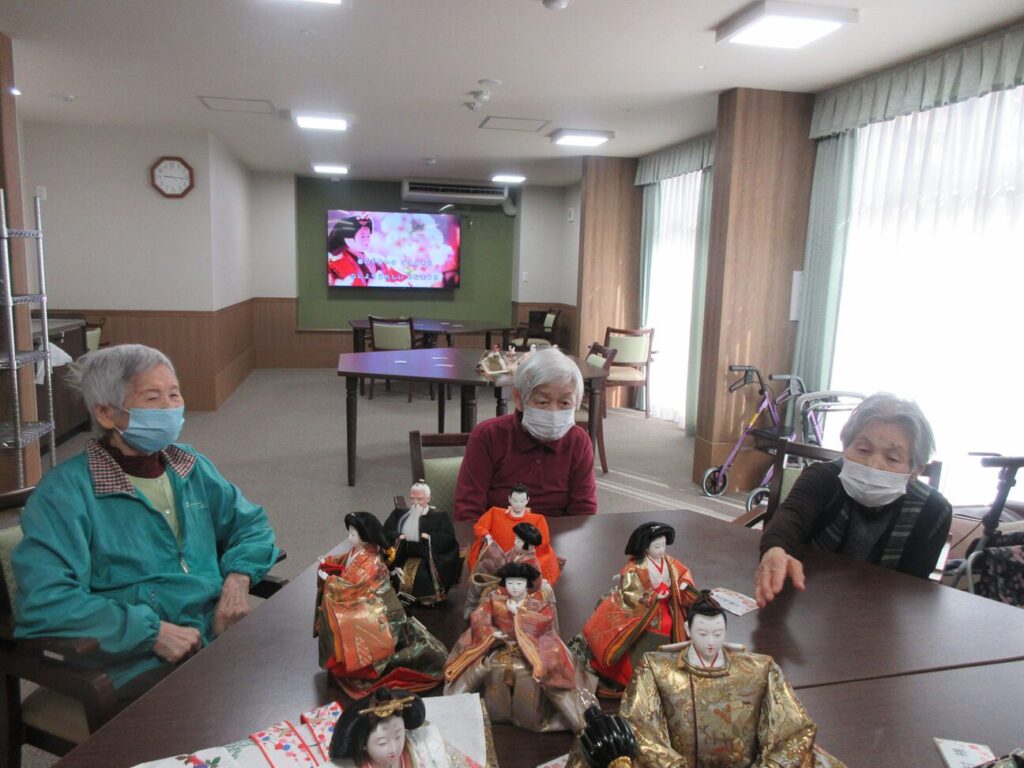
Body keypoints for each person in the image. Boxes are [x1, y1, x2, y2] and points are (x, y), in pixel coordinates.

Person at [11, 344, 279, 694]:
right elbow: (47, 601)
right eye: (153, 397)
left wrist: (238, 579)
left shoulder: (188, 465)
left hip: (213, 639)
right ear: (106, 413)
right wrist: (152, 632)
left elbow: (251, 525)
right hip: (134, 662)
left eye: (174, 393)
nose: (170, 407)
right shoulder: (64, 494)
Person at [570, 591, 845, 768]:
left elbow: (794, 729)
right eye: (703, 634)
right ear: (688, 629)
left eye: (717, 633)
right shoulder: (656, 668)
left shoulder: (760, 670)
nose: (711, 642)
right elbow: (639, 726)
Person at [755, 393, 952, 607]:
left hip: (879, 611)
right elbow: (791, 516)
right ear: (845, 447)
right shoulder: (822, 477)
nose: (873, 464)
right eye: (863, 449)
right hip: (809, 598)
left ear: (916, 470)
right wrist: (774, 549)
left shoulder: (933, 510)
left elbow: (912, 587)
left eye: (892, 458)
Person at [444, 562, 596, 733]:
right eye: (510, 583)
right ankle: (495, 713)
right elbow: (480, 617)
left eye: (519, 583)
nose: (514, 588)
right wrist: (492, 632)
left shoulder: (537, 603)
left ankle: (531, 717)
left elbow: (545, 622)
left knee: (539, 673)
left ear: (527, 584)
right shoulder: (495, 599)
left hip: (531, 650)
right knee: (488, 667)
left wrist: (519, 614)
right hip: (499, 646)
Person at [454, 348, 597, 521]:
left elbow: (583, 512)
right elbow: (468, 511)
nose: (553, 411)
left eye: (565, 403)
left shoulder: (578, 442)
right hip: (497, 533)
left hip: (558, 535)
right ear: (518, 398)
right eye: (543, 402)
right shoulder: (488, 436)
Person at [315, 512, 448, 698]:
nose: (349, 537)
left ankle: (364, 667)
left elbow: (356, 586)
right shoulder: (357, 552)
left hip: (378, 610)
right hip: (364, 602)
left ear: (366, 536)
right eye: (349, 533)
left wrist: (330, 580)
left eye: (353, 534)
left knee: (362, 639)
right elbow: (344, 563)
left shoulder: (372, 560)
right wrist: (328, 564)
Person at [579, 522, 699, 694]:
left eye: (663, 545)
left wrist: (683, 584)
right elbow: (630, 591)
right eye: (657, 546)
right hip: (644, 610)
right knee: (644, 632)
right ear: (645, 547)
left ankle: (664, 668)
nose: (661, 550)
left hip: (666, 605)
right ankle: (636, 671)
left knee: (673, 625)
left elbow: (683, 573)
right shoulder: (635, 566)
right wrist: (653, 596)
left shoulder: (669, 561)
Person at [329, 687, 479, 768]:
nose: (393, 748)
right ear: (363, 745)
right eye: (382, 742)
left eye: (398, 736)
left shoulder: (424, 749)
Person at [383, 482, 462, 606]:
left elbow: (448, 539)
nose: (415, 503)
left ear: (428, 499)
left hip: (427, 557)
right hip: (403, 555)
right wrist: (398, 536)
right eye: (412, 499)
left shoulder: (440, 517)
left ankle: (426, 597)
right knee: (397, 576)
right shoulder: (400, 514)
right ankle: (402, 596)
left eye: (419, 499)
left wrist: (431, 538)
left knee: (422, 576)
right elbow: (386, 531)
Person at [465, 483, 560, 585]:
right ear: (509, 499)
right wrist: (486, 535)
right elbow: (479, 527)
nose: (518, 504)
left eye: (522, 501)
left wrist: (526, 550)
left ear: (527, 500)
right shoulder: (494, 512)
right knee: (483, 565)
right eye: (515, 500)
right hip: (496, 556)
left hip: (523, 557)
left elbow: (542, 543)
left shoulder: (538, 519)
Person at [463, 520, 554, 619]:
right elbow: (504, 559)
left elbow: (527, 587)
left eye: (518, 541)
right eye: (516, 539)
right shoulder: (517, 551)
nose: (515, 542)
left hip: (516, 591)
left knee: (488, 593)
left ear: (530, 545)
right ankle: (471, 603)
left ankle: (478, 609)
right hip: (507, 579)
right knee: (484, 565)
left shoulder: (532, 564)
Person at [327, 215, 408, 287]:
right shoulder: (334, 263)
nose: (366, 241)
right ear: (347, 238)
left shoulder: (378, 260)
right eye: (362, 237)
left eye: (368, 236)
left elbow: (404, 280)